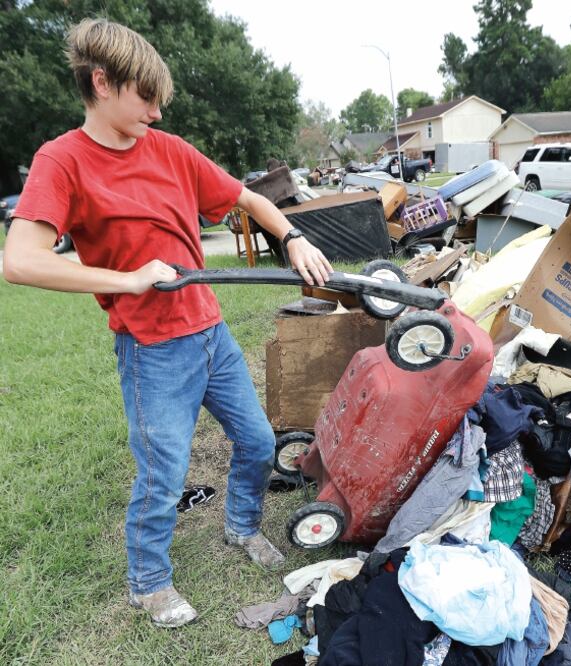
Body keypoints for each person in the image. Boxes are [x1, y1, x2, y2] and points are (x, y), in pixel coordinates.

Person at [2, 18, 333, 628]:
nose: (155, 113)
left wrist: (293, 238)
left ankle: (240, 527)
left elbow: (251, 199)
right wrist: (127, 279)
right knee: (164, 472)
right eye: (144, 98)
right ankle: (149, 583)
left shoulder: (171, 150)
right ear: (101, 82)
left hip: (210, 333)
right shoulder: (63, 161)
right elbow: (18, 262)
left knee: (259, 443)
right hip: (152, 348)